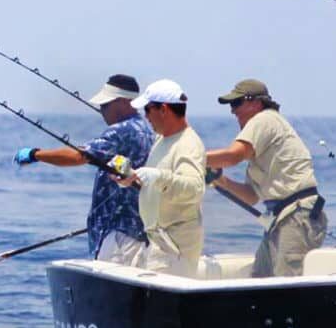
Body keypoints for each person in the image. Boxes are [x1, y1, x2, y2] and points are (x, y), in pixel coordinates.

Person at [14, 74, 154, 264]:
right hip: (138, 229)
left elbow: (80, 156)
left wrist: (35, 154)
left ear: (123, 102)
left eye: (105, 104)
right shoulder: (146, 129)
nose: (101, 109)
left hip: (118, 235)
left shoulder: (120, 131)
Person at [206, 79, 326, 277]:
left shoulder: (264, 119)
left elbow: (234, 155)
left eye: (236, 103)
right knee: (260, 279)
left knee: (286, 288)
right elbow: (252, 196)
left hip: (297, 216)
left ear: (255, 102)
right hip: (281, 218)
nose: (233, 111)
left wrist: (192, 156)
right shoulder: (261, 143)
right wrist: (220, 180)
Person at [113, 79, 205, 277]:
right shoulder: (162, 140)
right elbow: (159, 184)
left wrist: (158, 176)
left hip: (175, 249)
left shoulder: (188, 144)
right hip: (158, 243)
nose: (145, 117)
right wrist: (132, 178)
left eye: (147, 110)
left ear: (163, 109)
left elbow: (195, 188)